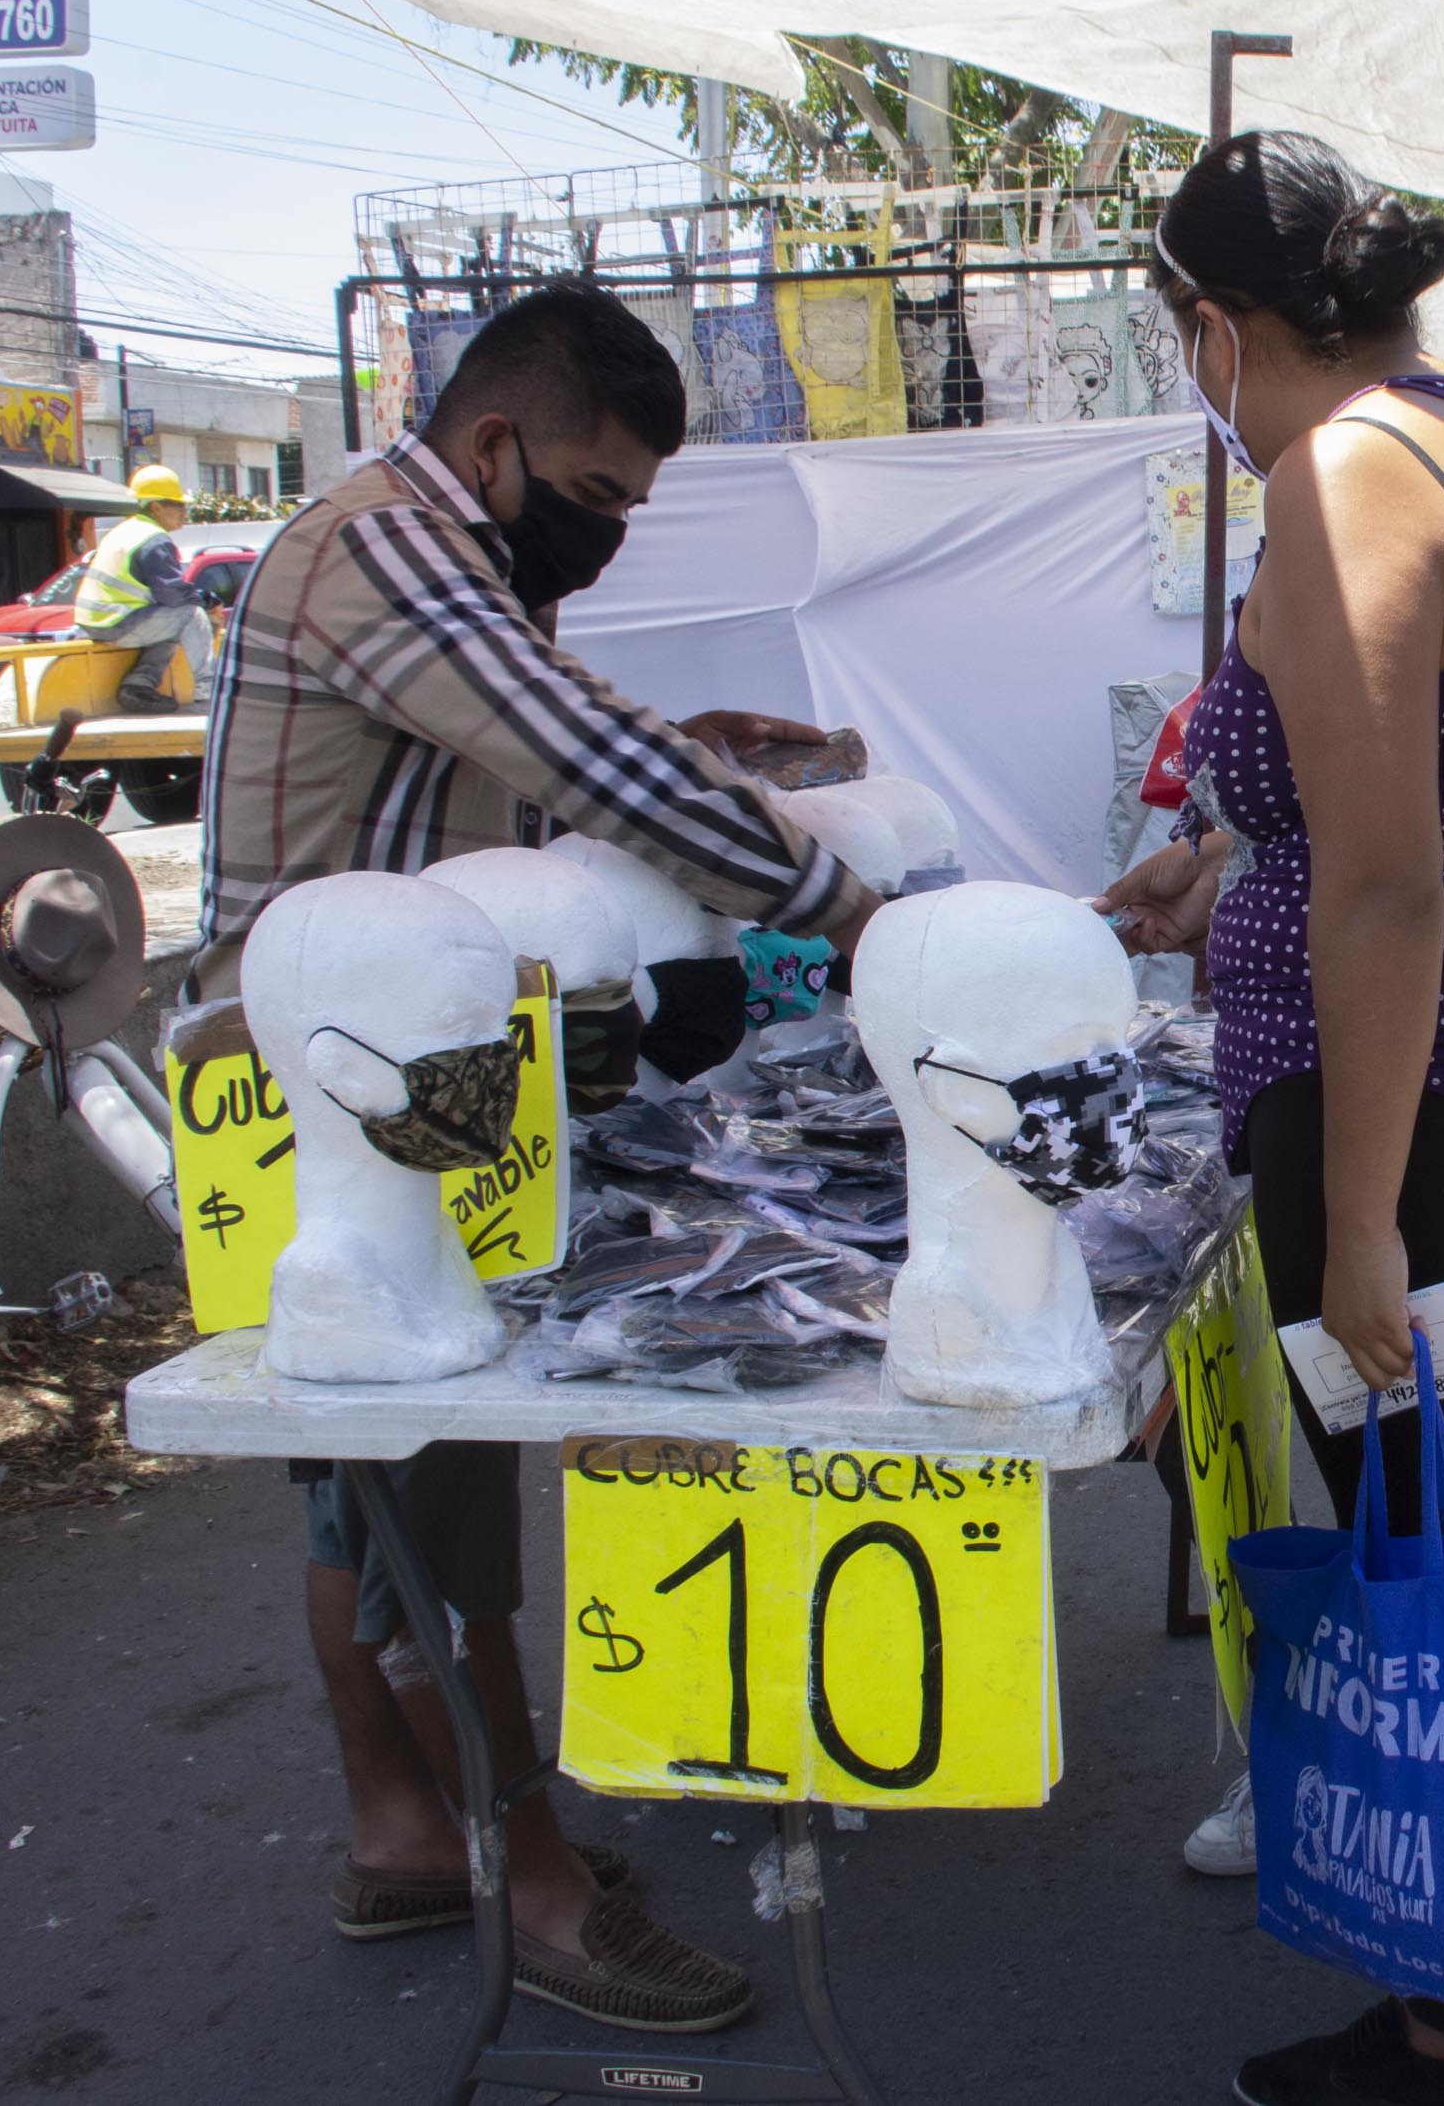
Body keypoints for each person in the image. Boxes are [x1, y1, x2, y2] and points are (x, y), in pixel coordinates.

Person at [198, 285, 881, 2036]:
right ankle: (539, 1883)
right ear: (496, 446)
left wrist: (703, 755)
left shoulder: (454, 561)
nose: (608, 525)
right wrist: (852, 907)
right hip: (334, 1085)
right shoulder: (386, 546)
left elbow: (585, 736)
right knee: (417, 1463)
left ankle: (407, 1826)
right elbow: (575, 752)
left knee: (371, 1454)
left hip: (388, 1067)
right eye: (599, 488)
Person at [1095, 129, 1444, 2106]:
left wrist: (1355, 1231)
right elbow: (1387, 768)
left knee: (1411, 1538)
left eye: (1179, 334)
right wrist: (1217, 859)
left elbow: (1394, 886)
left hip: (1430, 1118)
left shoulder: (1335, 484)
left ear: (1221, 325)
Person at [72, 462, 209, 714]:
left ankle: (138, 686)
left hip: (97, 622)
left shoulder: (125, 530)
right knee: (191, 614)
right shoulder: (153, 539)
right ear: (156, 506)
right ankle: (206, 690)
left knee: (172, 624)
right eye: (178, 505)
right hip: (117, 622)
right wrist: (205, 600)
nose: (184, 511)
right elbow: (172, 594)